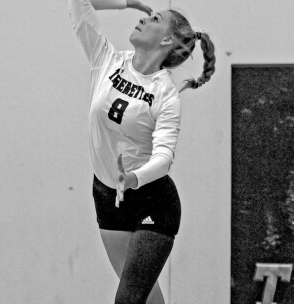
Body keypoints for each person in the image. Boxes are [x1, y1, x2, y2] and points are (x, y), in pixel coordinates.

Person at [67, 0, 216, 303]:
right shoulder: (106, 59)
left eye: (155, 19)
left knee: (128, 299)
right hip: (108, 196)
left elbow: (163, 159)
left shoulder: (165, 94)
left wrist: (133, 178)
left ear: (167, 40)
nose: (144, 20)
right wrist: (128, 3)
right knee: (146, 298)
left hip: (151, 201)